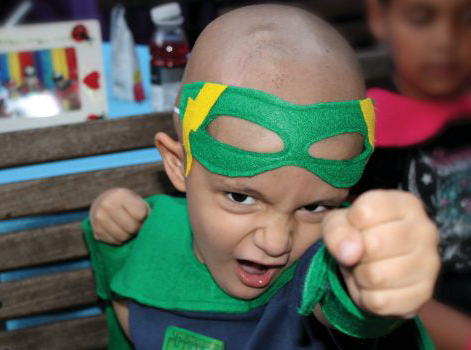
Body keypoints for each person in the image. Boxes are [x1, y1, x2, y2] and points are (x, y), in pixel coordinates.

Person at [84, 5, 440, 349]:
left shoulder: (326, 257)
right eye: (241, 198)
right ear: (178, 164)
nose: (276, 242)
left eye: (315, 207)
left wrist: (367, 287)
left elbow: (338, 296)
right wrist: (112, 222)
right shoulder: (155, 231)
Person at [361, 0, 471, 348]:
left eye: (469, 17)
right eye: (421, 18)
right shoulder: (368, 139)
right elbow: (371, 286)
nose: (445, 41)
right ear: (379, 17)